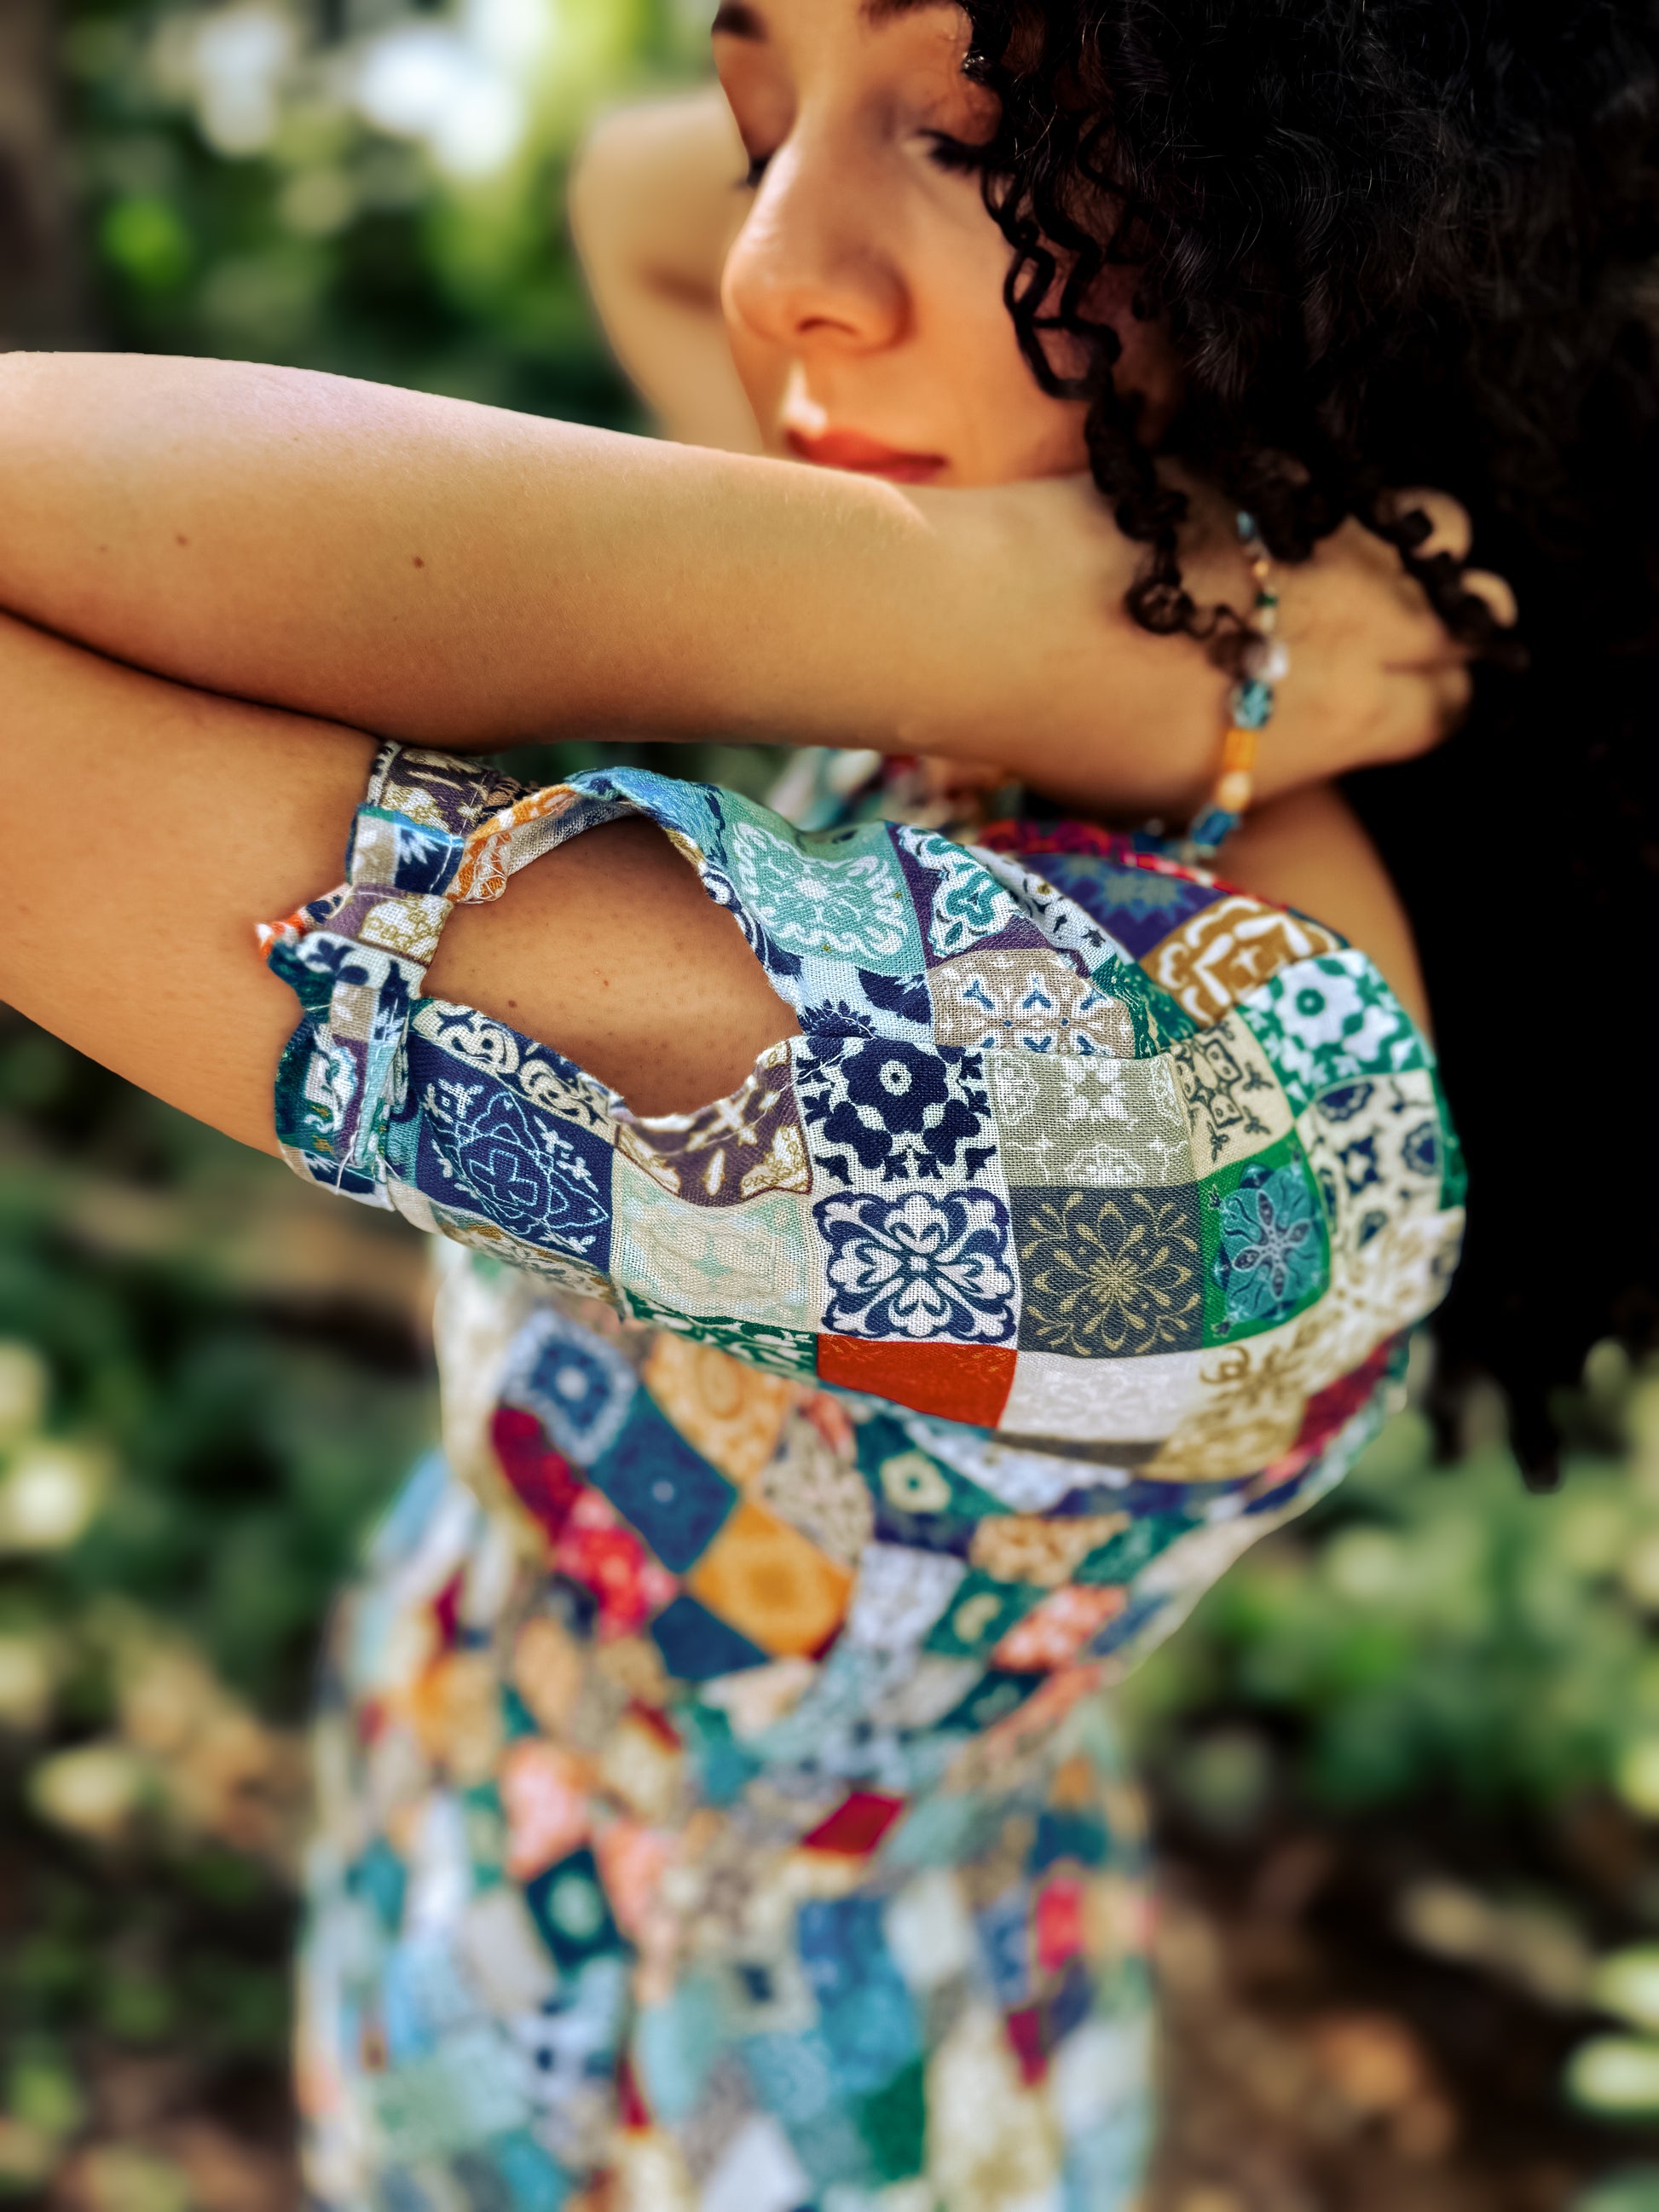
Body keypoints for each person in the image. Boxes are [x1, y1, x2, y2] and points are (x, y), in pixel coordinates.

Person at [0, 0, 1648, 2205]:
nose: (784, 258)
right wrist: (1103, 634)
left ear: (1367, 233)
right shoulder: (1024, 604)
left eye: (970, 135)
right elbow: (634, 203)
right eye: (767, 105)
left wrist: (1026, 626)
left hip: (718, 2123)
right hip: (472, 1864)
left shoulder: (1199, 1135)